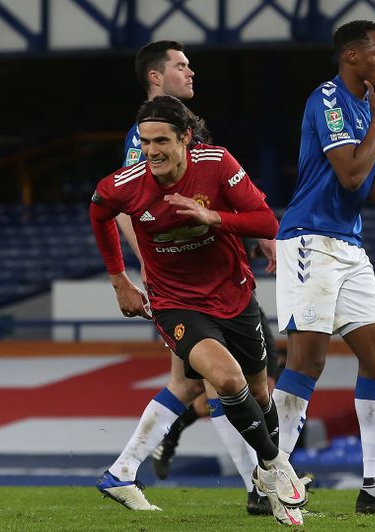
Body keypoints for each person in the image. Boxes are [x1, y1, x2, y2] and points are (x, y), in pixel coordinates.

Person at [90, 95, 307, 526]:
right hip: (176, 304)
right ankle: (276, 467)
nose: (152, 151)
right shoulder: (127, 183)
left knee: (261, 392)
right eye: (146, 141)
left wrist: (215, 220)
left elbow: (266, 223)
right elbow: (98, 213)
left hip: (235, 295)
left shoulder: (217, 164)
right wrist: (119, 279)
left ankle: (269, 482)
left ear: (186, 139)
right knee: (227, 379)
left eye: (162, 141)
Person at [271, 20, 375, 514]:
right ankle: (270, 476)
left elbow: (363, 184)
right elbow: (348, 171)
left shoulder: (366, 105)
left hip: (348, 244)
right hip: (310, 240)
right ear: (352, 57)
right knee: (307, 362)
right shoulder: (329, 100)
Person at [115, 40, 279, 517]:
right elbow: (126, 206)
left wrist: (254, 236)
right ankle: (259, 481)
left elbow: (209, 199)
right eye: (181, 65)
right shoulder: (146, 138)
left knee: (194, 384)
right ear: (154, 77)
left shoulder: (184, 132)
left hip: (207, 277)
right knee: (213, 383)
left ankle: (124, 470)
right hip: (184, 286)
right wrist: (146, 263)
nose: (192, 72)